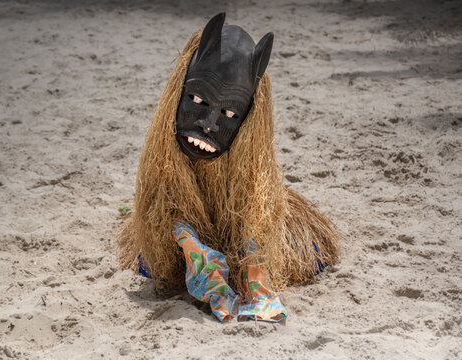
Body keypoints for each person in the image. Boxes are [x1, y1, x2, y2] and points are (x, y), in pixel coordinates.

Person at [120, 13, 339, 322]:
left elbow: (254, 211)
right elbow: (162, 199)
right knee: (151, 260)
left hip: (239, 229)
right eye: (197, 99)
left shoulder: (250, 171)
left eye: (229, 113)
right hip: (185, 234)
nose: (209, 126)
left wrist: (255, 277)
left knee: (306, 252)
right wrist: (188, 243)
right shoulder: (166, 154)